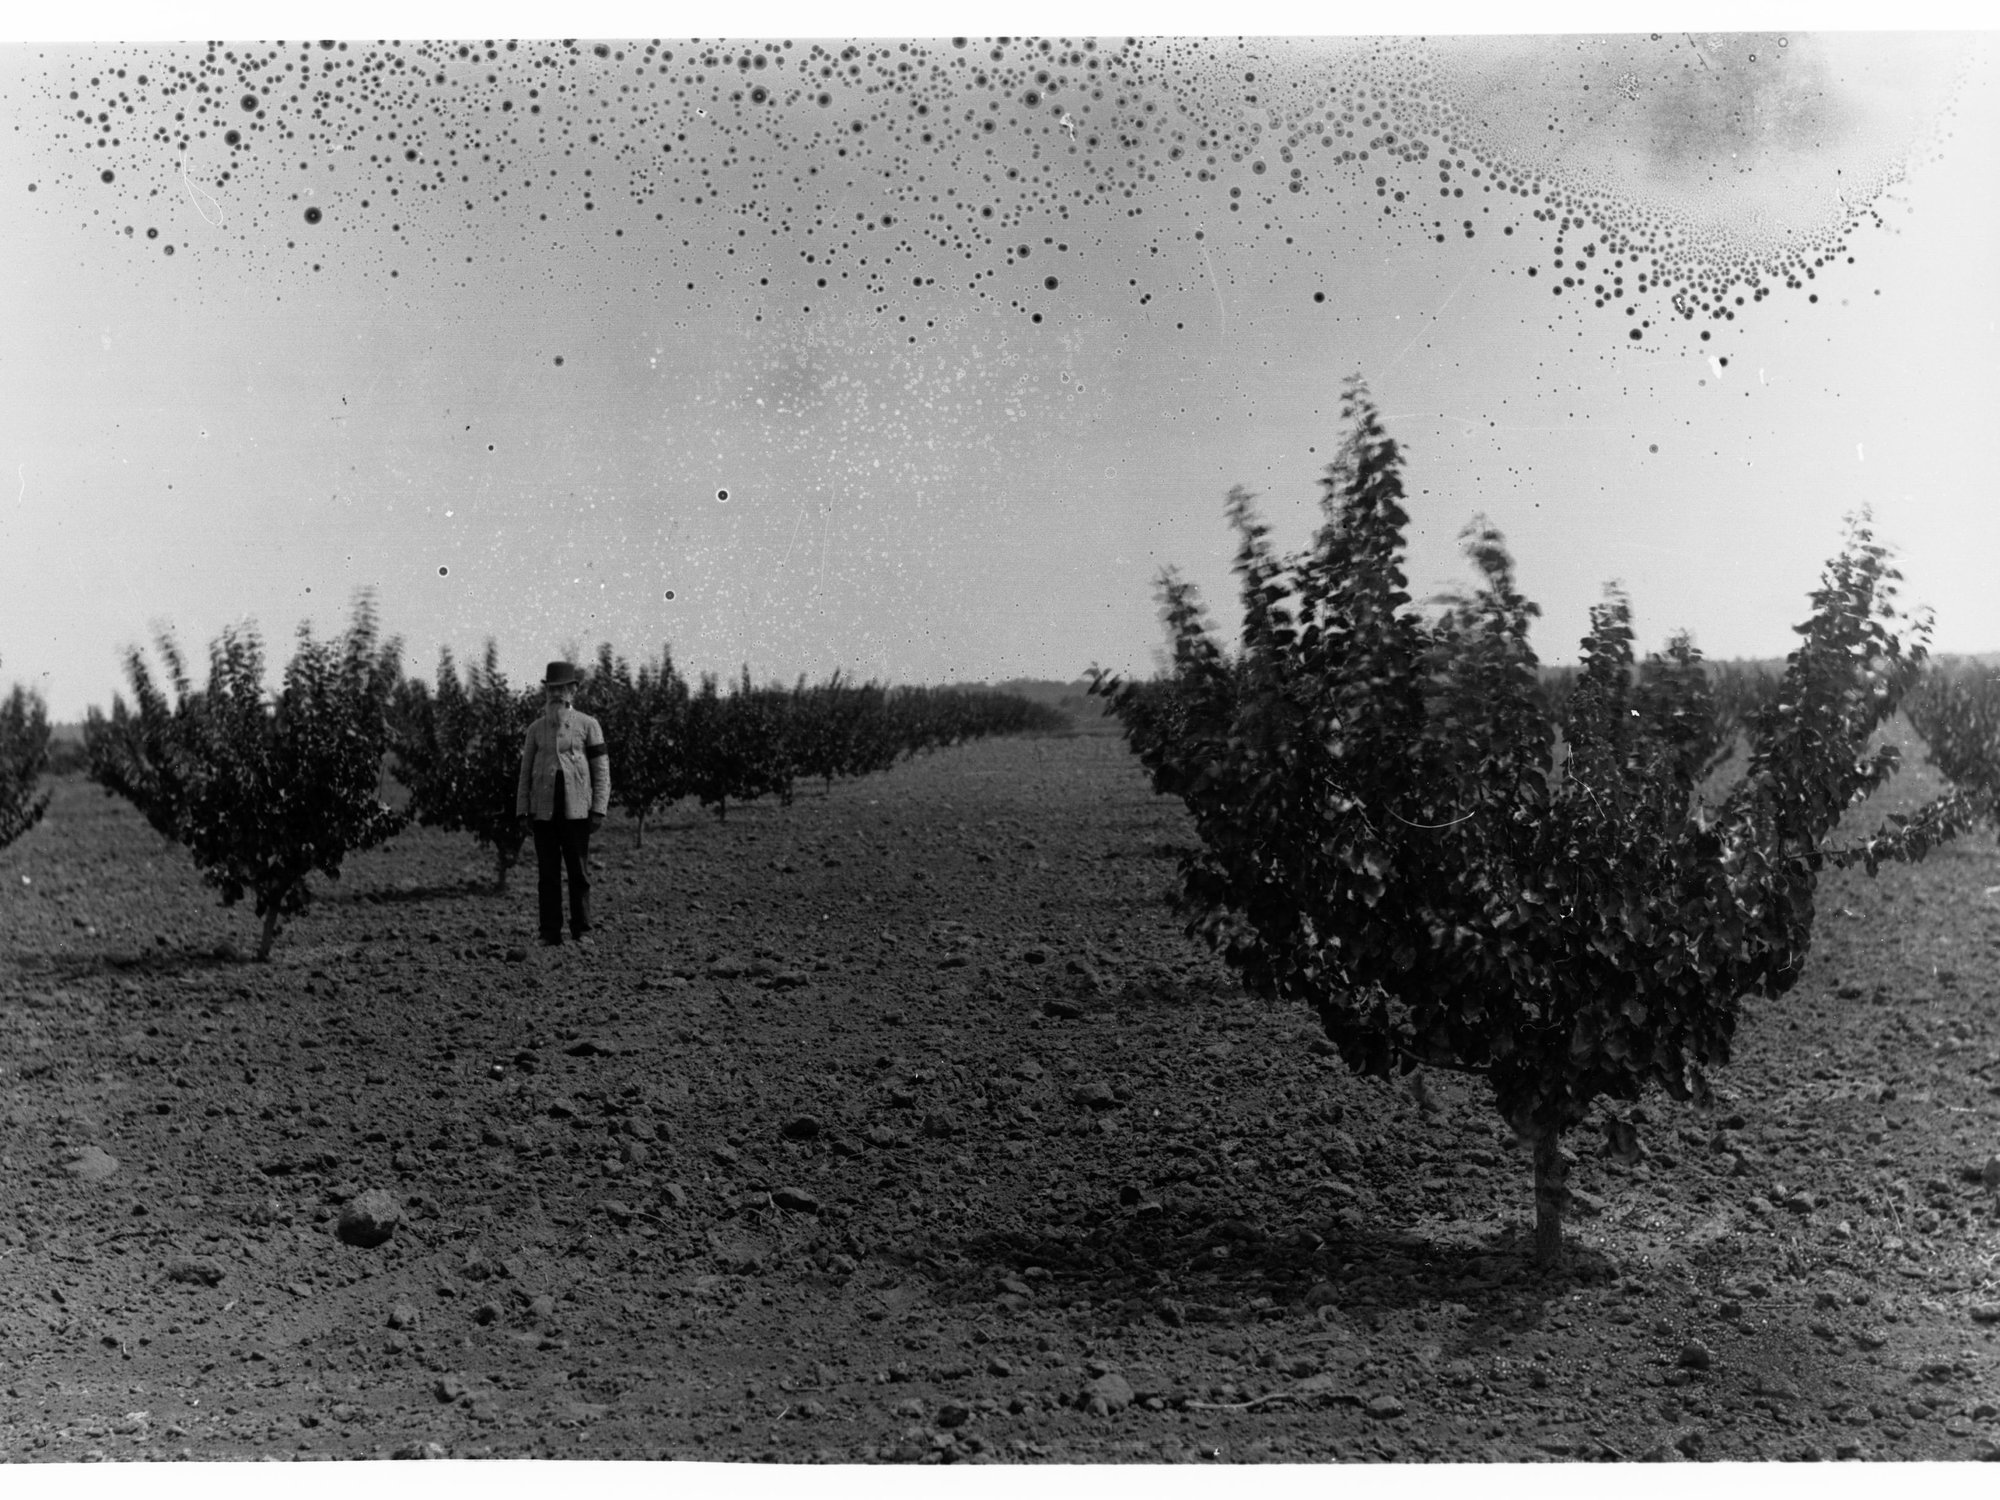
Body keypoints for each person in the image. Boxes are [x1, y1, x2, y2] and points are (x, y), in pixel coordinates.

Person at [515, 661, 610, 945]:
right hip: (543, 811)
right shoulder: (535, 729)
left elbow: (601, 770)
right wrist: (522, 811)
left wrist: (598, 809)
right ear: (546, 692)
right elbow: (525, 772)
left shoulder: (588, 725)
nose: (557, 694)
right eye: (552, 689)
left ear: (573, 690)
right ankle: (549, 932)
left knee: (578, 873)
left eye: (562, 689)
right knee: (547, 875)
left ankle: (582, 930)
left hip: (577, 811)